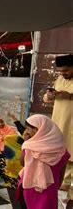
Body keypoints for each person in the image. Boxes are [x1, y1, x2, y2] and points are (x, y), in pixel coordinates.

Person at [18, 114, 69, 209]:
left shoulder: (29, 147)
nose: (26, 132)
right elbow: (62, 174)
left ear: (38, 130)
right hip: (49, 192)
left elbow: (22, 163)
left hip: (30, 189)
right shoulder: (62, 150)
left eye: (28, 129)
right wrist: (54, 187)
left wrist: (25, 142)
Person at [43, 54, 72, 194]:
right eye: (60, 71)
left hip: (71, 124)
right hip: (58, 122)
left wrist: (70, 96)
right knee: (59, 152)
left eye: (65, 70)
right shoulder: (60, 79)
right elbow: (47, 99)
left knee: (71, 152)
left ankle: (69, 184)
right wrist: (49, 96)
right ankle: (61, 180)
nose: (62, 73)